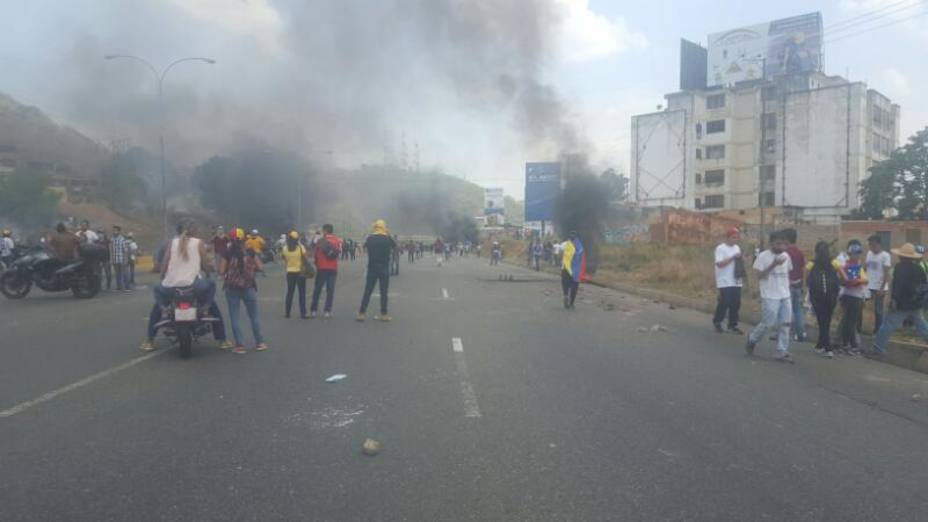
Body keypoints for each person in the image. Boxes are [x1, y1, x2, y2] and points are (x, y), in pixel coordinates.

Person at [141, 221, 230, 352]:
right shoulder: (199, 243)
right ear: (193, 231)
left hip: (171, 287)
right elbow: (205, 264)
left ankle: (150, 339)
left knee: (157, 300)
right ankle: (222, 339)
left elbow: (164, 263)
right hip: (194, 286)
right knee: (211, 292)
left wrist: (163, 277)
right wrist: (207, 272)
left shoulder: (171, 243)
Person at [868, 243, 928, 359]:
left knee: (887, 325)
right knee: (922, 324)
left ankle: (878, 349)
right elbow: (924, 286)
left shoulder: (900, 267)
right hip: (916, 304)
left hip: (902, 304)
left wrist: (893, 301)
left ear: (901, 256)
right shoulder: (919, 268)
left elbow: (898, 286)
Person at [745, 231, 795, 363]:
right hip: (770, 295)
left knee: (786, 323)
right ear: (771, 243)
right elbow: (759, 276)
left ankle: (781, 350)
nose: (781, 247)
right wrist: (773, 264)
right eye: (778, 244)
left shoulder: (786, 256)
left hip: (785, 294)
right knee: (768, 323)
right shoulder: (763, 256)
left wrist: (790, 286)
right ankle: (753, 338)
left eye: (784, 244)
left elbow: (787, 273)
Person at [220, 228, 266, 354]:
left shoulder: (227, 252)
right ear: (244, 238)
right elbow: (261, 267)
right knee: (254, 316)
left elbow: (221, 271)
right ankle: (260, 343)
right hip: (249, 287)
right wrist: (253, 269)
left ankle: (240, 346)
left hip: (231, 288)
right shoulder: (250, 251)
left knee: (235, 317)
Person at [357, 219, 397, 322]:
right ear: (384, 227)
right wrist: (387, 233)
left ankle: (361, 313)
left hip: (372, 267)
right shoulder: (387, 238)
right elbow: (395, 246)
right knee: (384, 292)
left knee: (368, 291)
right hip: (384, 267)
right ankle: (383, 314)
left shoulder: (370, 238)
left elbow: (363, 248)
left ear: (375, 227)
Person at [806, 241, 841, 358]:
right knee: (827, 320)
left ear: (816, 252)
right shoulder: (834, 262)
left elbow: (806, 277)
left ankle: (828, 348)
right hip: (831, 296)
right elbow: (843, 275)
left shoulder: (811, 263)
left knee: (822, 321)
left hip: (817, 296)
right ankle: (820, 345)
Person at [836, 240, 868, 355]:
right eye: (857, 253)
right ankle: (846, 345)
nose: (859, 255)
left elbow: (864, 280)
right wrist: (859, 280)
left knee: (849, 322)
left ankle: (847, 344)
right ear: (851, 254)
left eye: (859, 253)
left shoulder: (855, 266)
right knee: (850, 322)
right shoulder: (849, 267)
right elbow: (850, 281)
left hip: (854, 296)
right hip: (852, 296)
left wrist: (858, 280)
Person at [712, 227, 744, 334]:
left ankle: (732, 324)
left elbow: (739, 262)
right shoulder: (721, 248)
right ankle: (717, 321)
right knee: (725, 302)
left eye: (736, 237)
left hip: (736, 279)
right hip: (724, 280)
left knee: (736, 303)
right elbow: (719, 264)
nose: (735, 239)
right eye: (733, 237)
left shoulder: (737, 248)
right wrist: (733, 257)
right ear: (728, 237)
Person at [311, 224, 342, 318]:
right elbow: (339, 253)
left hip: (322, 268)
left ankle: (314, 310)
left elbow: (315, 255)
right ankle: (327, 311)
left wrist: (317, 265)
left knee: (317, 289)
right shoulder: (337, 240)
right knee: (330, 290)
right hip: (333, 268)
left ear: (325, 231)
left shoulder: (320, 241)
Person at [280, 230, 311, 319]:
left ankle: (287, 313)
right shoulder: (300, 247)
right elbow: (305, 257)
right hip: (300, 273)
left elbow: (283, 257)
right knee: (302, 294)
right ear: (297, 239)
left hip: (290, 272)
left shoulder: (285, 248)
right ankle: (303, 313)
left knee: (290, 293)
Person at [782, 228, 807, 342]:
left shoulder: (785, 253)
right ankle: (800, 333)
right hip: (798, 284)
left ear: (786, 239)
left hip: (787, 285)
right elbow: (803, 269)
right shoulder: (800, 252)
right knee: (798, 310)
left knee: (785, 310)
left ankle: (783, 333)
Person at [865, 234, 892, 334]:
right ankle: (865, 327)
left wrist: (881, 288)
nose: (871, 247)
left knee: (878, 310)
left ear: (879, 244)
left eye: (873, 245)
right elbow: (866, 267)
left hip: (879, 287)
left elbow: (886, 273)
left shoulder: (885, 256)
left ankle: (878, 330)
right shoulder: (869, 253)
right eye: (870, 245)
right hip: (868, 285)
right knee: (865, 307)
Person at [560, 231, 585, 309]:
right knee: (574, 287)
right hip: (575, 271)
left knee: (565, 284)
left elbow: (559, 252)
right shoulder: (580, 246)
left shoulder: (565, 244)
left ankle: (565, 295)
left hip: (565, 268)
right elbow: (581, 258)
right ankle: (571, 303)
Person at [109, 225, 130, 291]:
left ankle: (127, 287)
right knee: (117, 274)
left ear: (119, 231)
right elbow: (111, 249)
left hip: (122, 259)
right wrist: (111, 259)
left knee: (124, 274)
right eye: (113, 230)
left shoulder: (122, 239)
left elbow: (125, 250)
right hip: (115, 260)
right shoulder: (112, 239)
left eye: (115, 230)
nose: (114, 232)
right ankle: (119, 287)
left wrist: (125, 259)